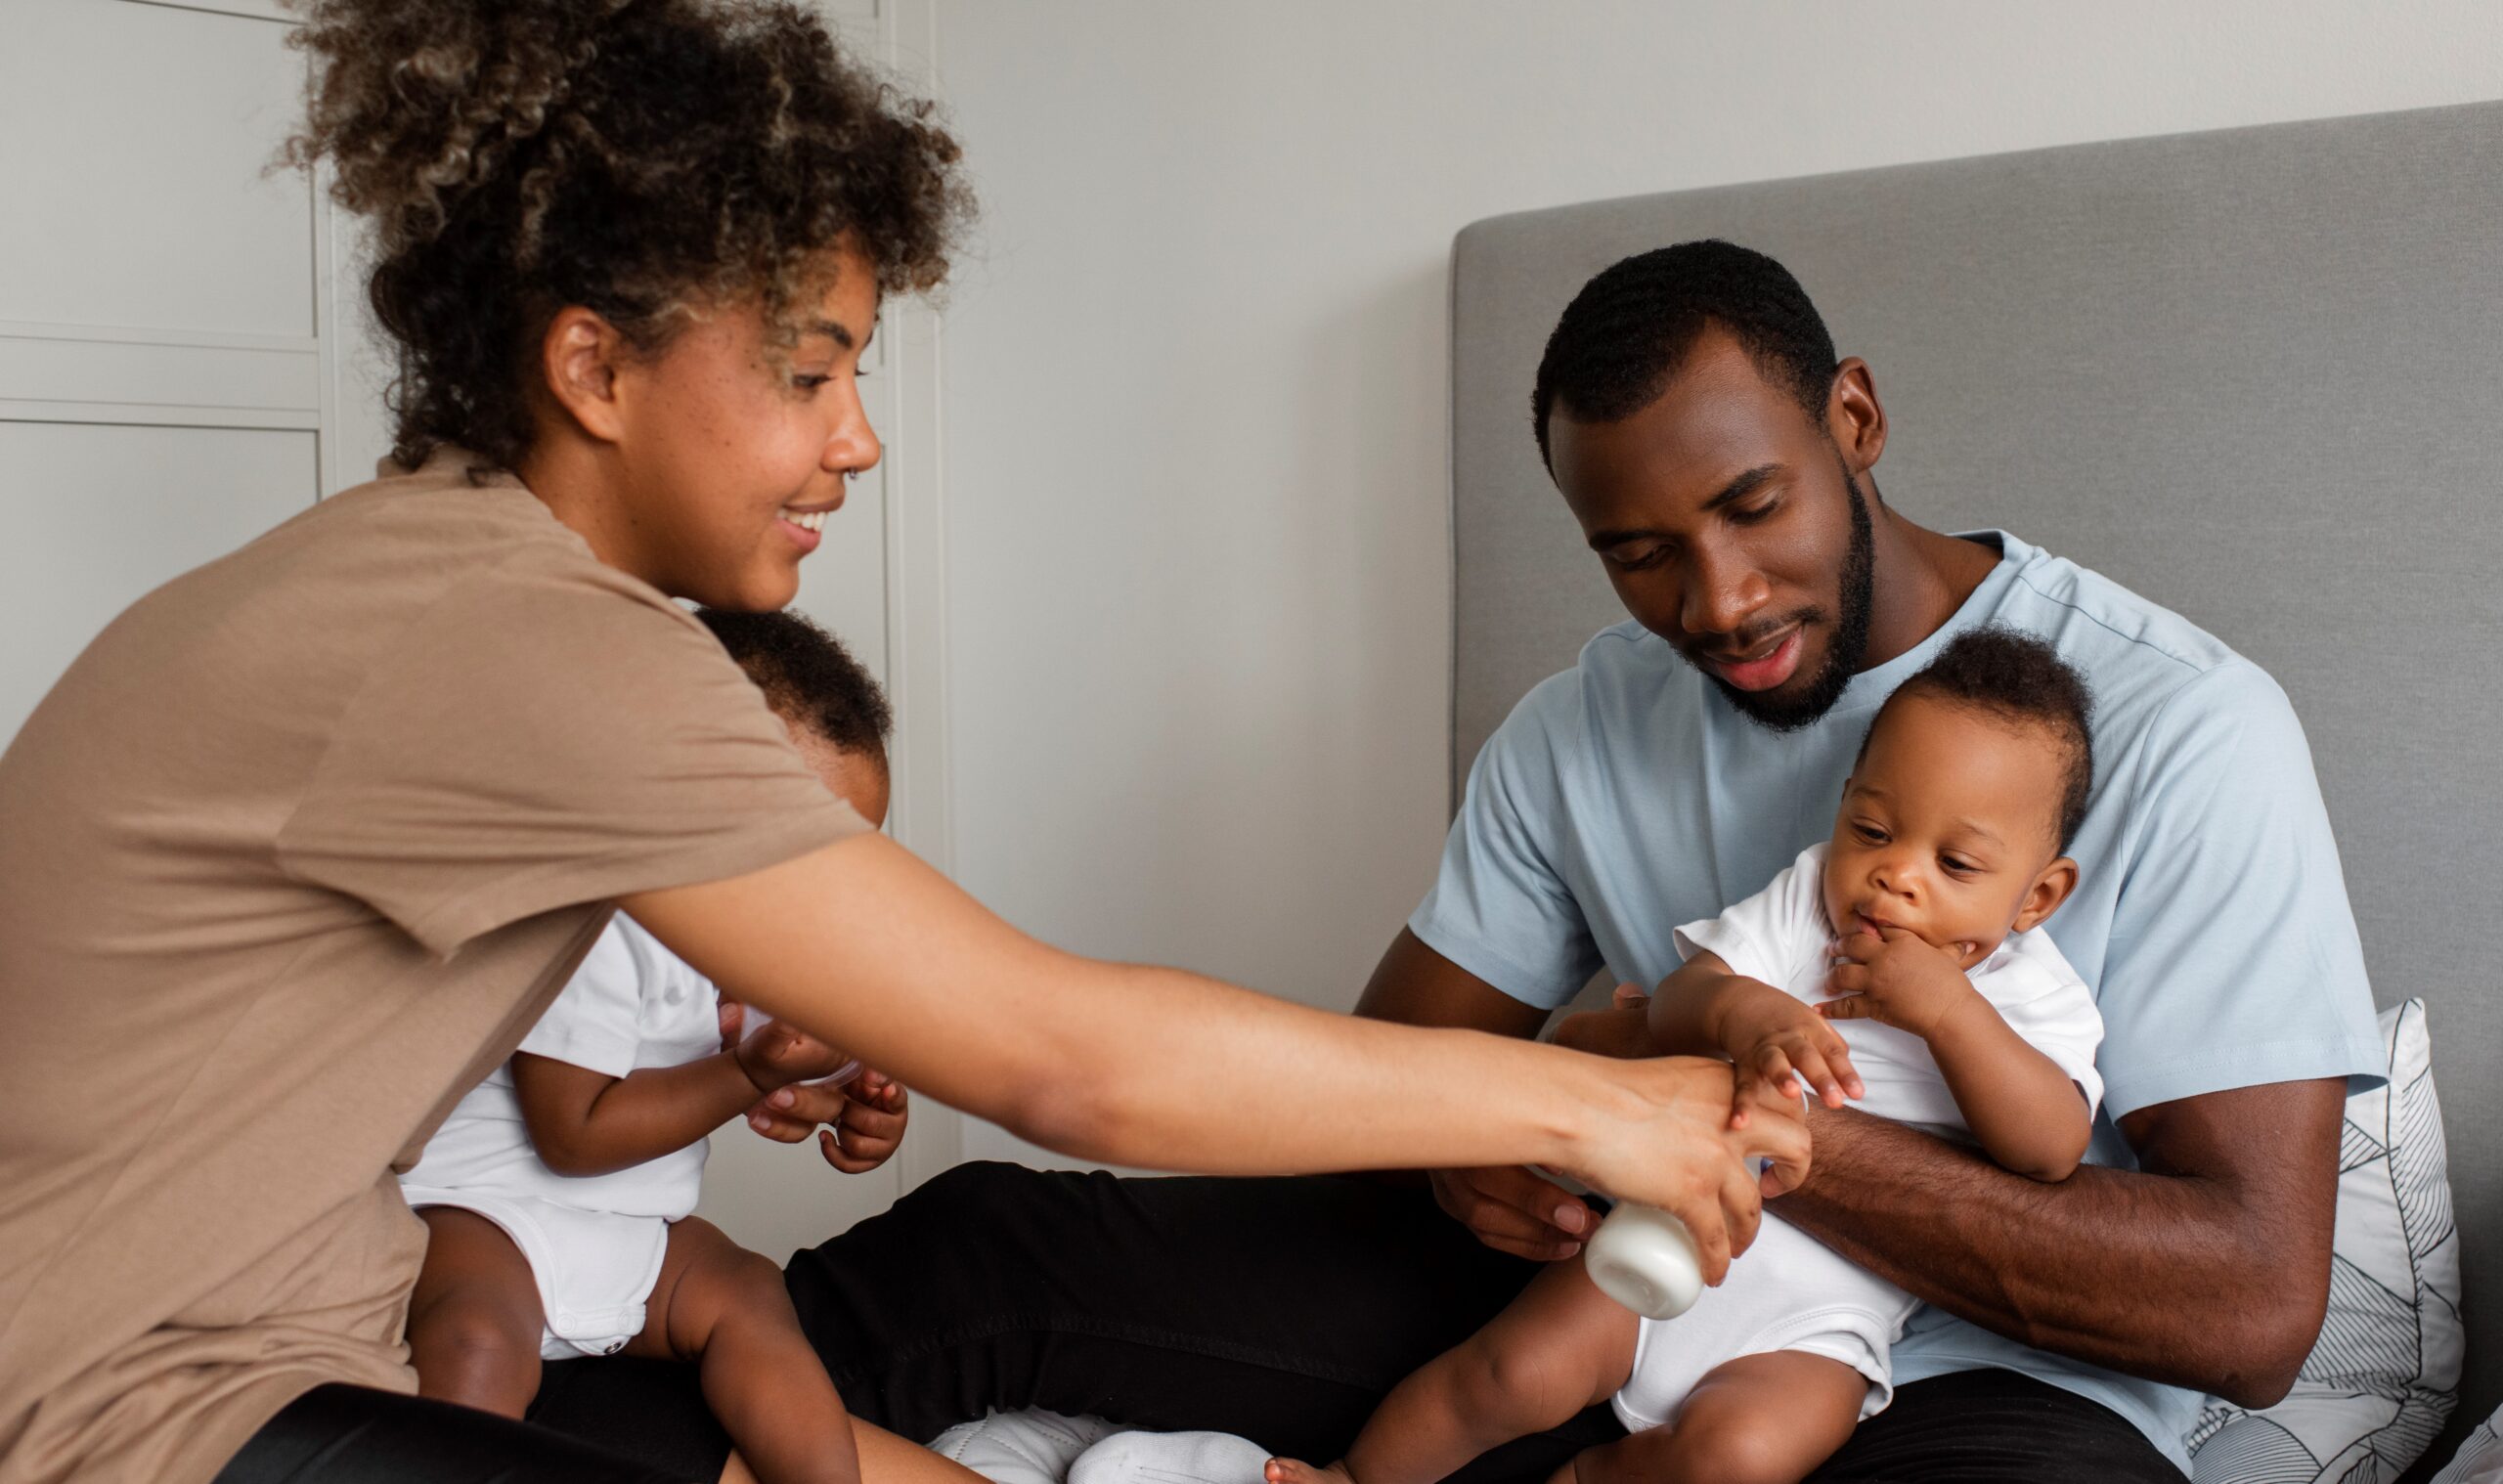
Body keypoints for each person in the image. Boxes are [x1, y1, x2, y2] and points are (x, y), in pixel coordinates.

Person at [0, 10, 1807, 1484]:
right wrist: (1590, 1094)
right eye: (808, 368)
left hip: (287, 1304)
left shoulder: (442, 575)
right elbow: (1059, 1055)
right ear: (592, 370)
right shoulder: (510, 637)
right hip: (112, 1394)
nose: (858, 438)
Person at [725, 240, 2381, 1484]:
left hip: (1990, 1383)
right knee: (981, 1248)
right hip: (1608, 1292)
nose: (1715, 601)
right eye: (1642, 552)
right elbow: (1382, 1091)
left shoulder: (2178, 730)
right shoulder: (1581, 723)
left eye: (1753, 506)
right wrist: (1492, 1140)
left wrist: (1677, 1098)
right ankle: (605, 1425)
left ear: (1855, 418)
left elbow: (2247, 1308)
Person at [1261, 629, 2105, 1484]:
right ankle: (1355, 1477)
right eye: (1873, 828)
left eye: (1955, 863)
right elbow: (1678, 998)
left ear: (2037, 895)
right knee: (1511, 1374)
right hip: (1675, 1223)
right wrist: (1747, 1012)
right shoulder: (1808, 908)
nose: (1896, 877)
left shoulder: (2029, 996)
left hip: (1823, 1317)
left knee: (1742, 1458)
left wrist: (1952, 1013)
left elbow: (2050, 1146)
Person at [398, 608, 907, 1484]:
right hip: (478, 1213)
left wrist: (857, 1102)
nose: (817, 890)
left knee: (748, 1290)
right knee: (475, 1340)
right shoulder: (601, 920)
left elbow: (809, 1061)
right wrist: (747, 1073)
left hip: (635, 1227)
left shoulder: (767, 942)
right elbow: (573, 1134)